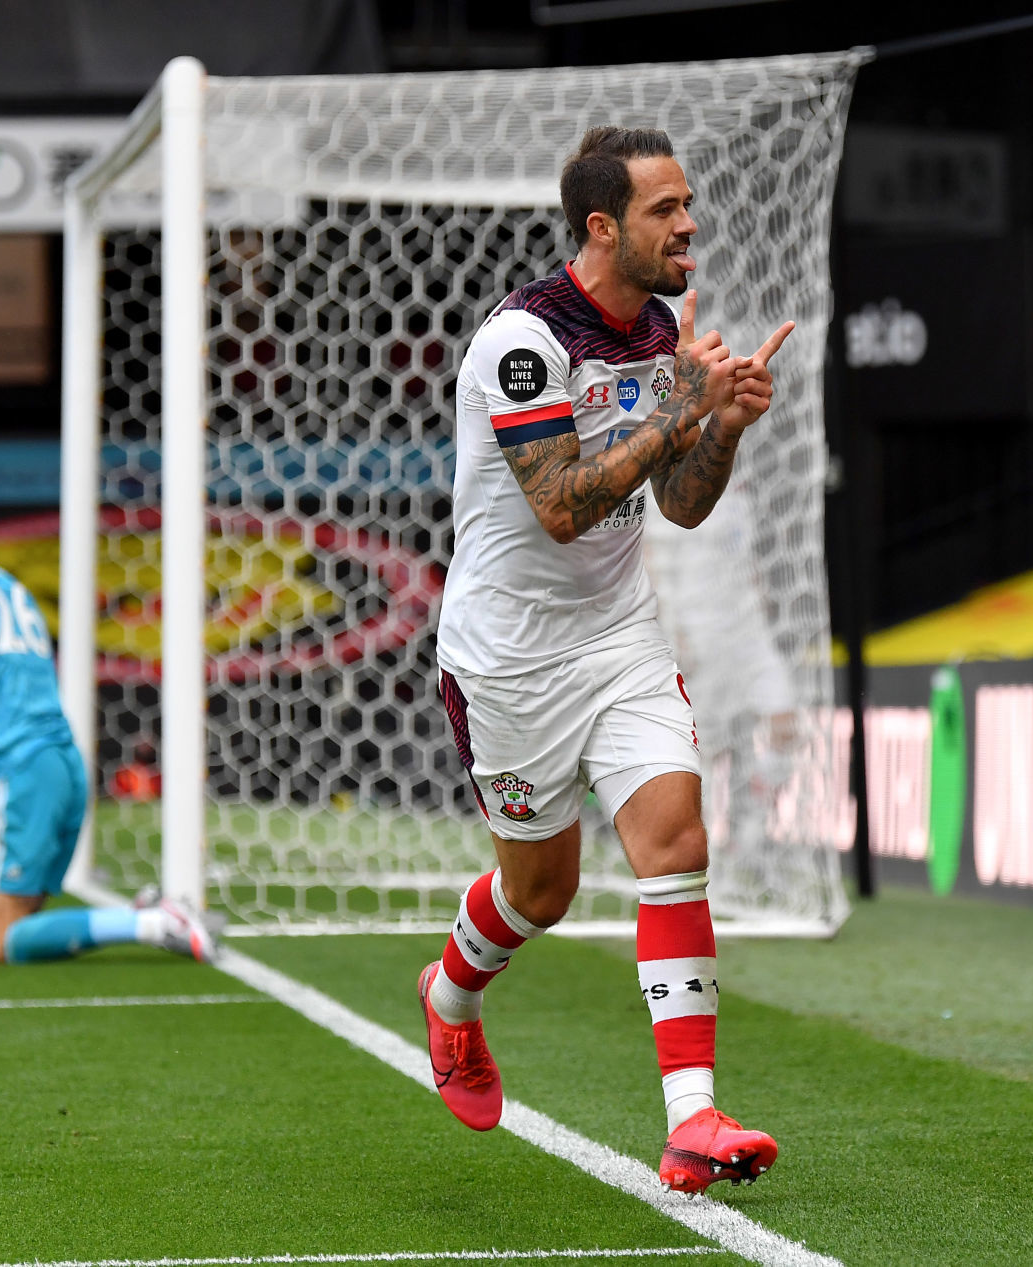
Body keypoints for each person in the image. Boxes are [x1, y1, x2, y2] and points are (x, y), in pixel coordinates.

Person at [423, 125, 792, 1194]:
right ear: (601, 226)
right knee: (540, 892)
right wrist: (679, 409)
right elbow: (559, 506)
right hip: (507, 659)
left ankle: (692, 1119)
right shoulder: (523, 343)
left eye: (686, 204)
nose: (689, 225)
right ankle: (450, 998)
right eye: (664, 209)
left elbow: (678, 506)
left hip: (619, 634)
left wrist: (722, 427)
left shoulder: (660, 328)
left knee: (676, 839)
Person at [0, 479, 215, 965]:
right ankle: (146, 916)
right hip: (62, 763)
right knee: (20, 924)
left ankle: (154, 922)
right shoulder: (10, 586)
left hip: (15, 771)